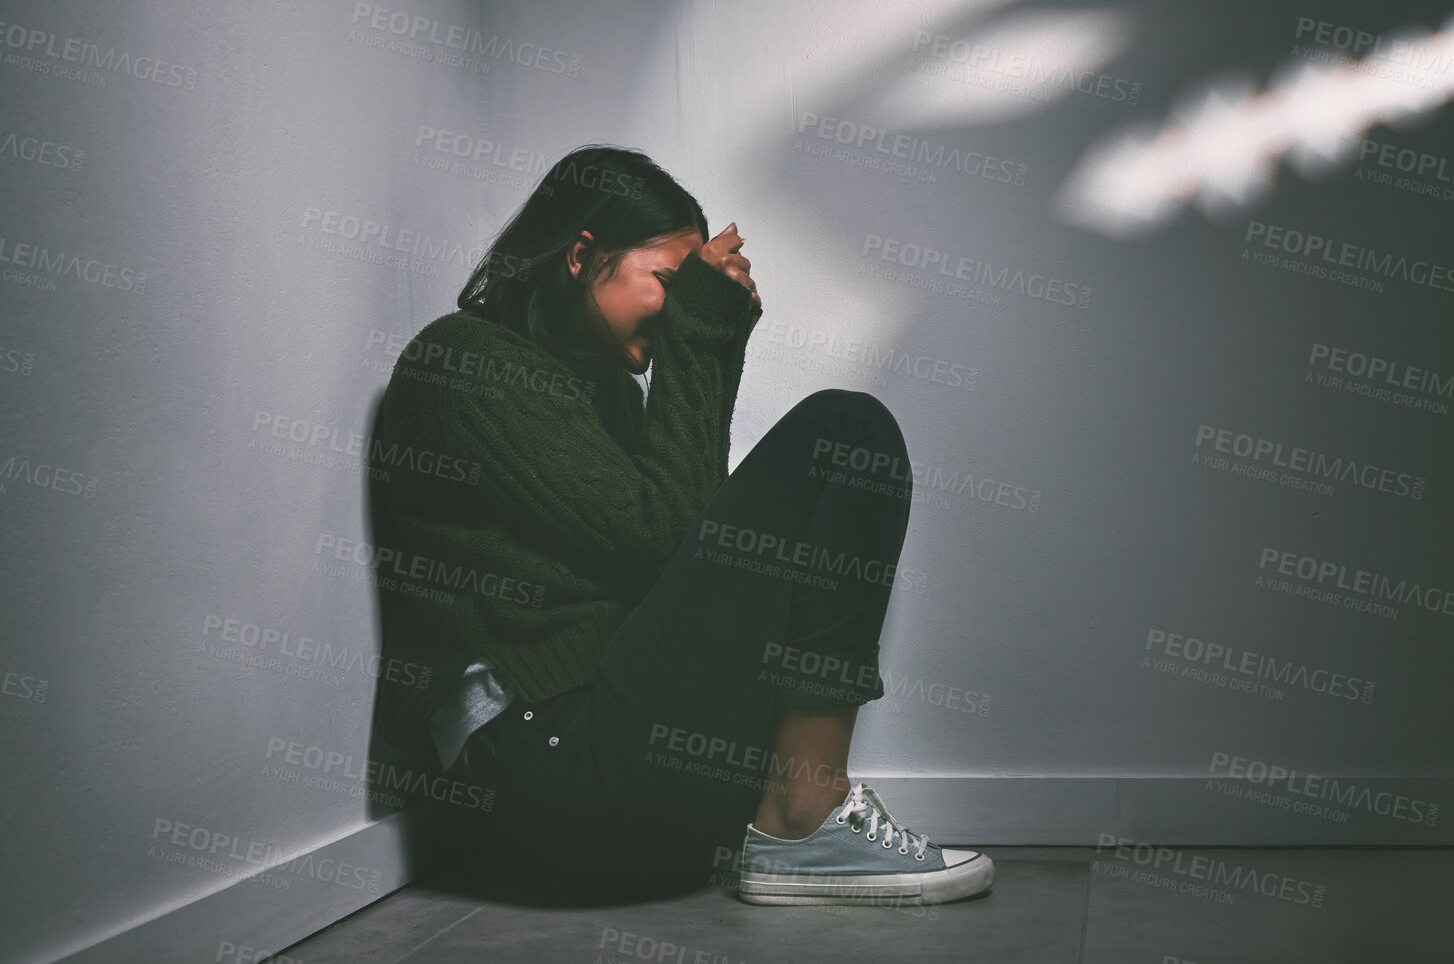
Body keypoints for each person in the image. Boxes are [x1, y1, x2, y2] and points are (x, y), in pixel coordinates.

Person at [367, 144, 994, 906]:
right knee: (844, 430)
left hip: (630, 774)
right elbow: (666, 540)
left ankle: (795, 821)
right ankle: (804, 816)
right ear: (581, 255)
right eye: (669, 281)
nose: (679, 309)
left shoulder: (607, 400)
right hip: (554, 778)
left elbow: (690, 559)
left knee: (842, 452)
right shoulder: (464, 361)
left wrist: (713, 340)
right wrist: (702, 332)